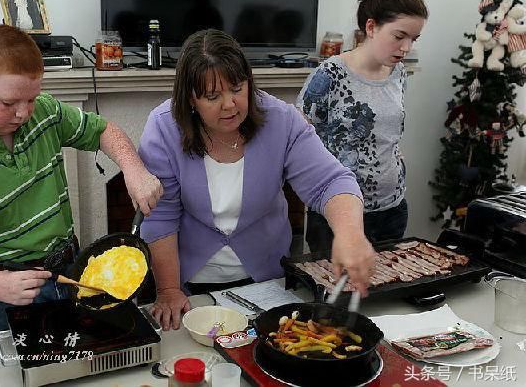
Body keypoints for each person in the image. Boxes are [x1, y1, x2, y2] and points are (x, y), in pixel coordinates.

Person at [0, 24, 162, 386]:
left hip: (68, 274)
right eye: (9, 102)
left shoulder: (45, 113)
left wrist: (134, 169)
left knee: (73, 375)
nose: (24, 113)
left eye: (32, 98)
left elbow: (103, 130)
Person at [138, 29, 376, 331]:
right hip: (191, 286)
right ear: (190, 99)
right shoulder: (164, 129)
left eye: (237, 88)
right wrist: (169, 290)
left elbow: (330, 182)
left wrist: (350, 234)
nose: (229, 104)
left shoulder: (281, 120)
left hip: (267, 279)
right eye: (213, 96)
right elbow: (161, 216)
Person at [296, 0, 428, 258]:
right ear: (371, 27)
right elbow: (297, 142)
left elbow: (389, 132)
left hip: (392, 209)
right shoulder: (330, 74)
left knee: (387, 293)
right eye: (399, 36)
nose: (406, 47)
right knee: (335, 298)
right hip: (336, 216)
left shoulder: (399, 74)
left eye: (414, 39)